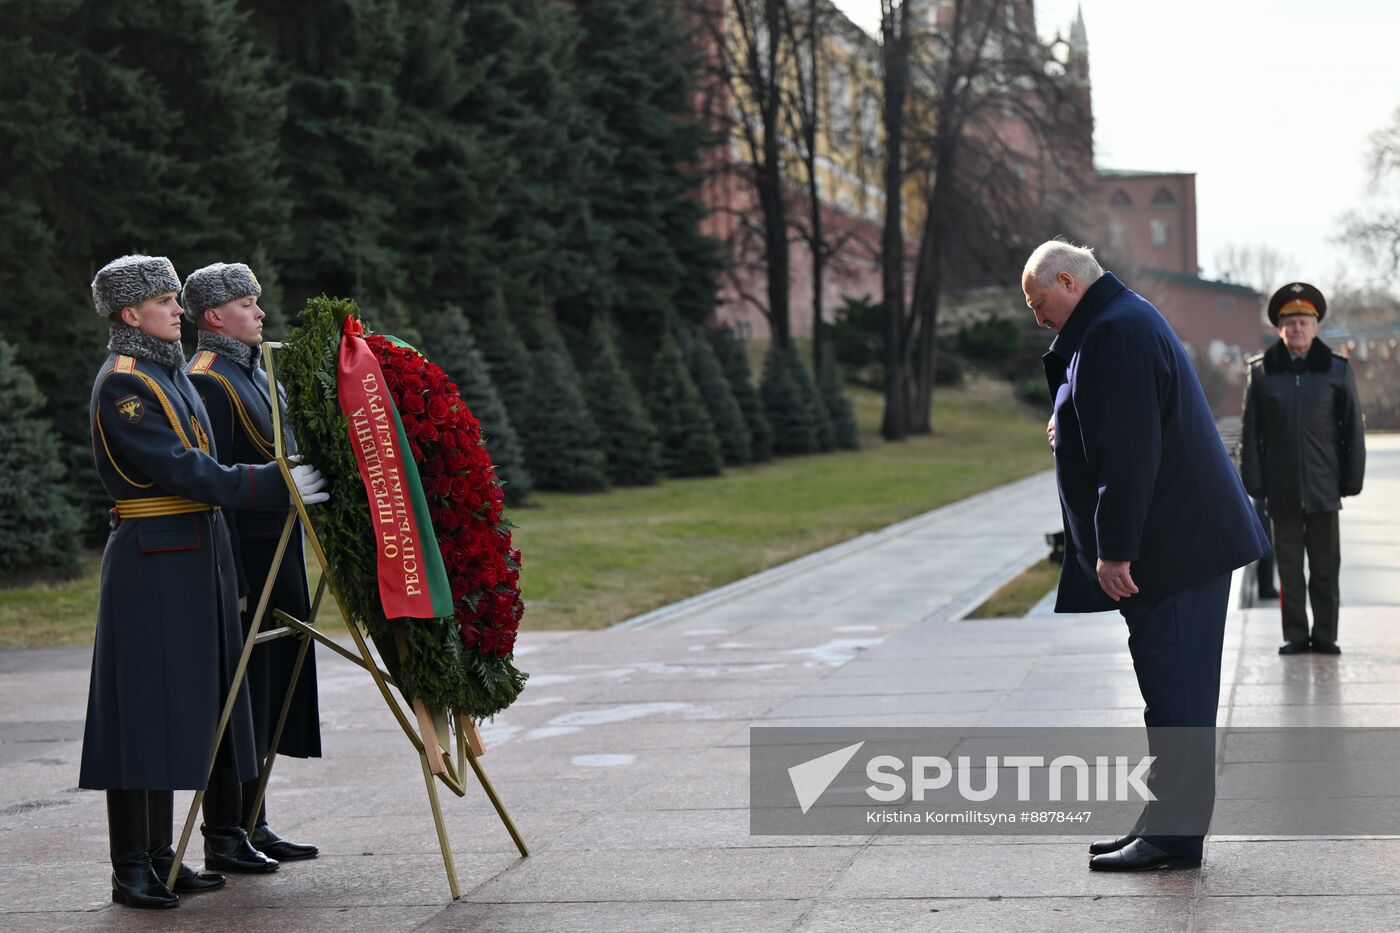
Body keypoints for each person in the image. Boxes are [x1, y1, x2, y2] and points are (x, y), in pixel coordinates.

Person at [80, 255, 328, 909]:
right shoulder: (125, 382)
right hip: (152, 555)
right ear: (131, 313)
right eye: (165, 301)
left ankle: (164, 856)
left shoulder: (167, 370)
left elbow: (205, 464)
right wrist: (273, 483)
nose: (177, 310)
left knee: (183, 706)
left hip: (196, 551)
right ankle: (132, 864)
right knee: (142, 714)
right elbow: (185, 469)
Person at [1024, 240, 1268, 872]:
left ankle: (1175, 835)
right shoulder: (1118, 321)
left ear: (1068, 280)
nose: (1037, 316)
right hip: (1182, 541)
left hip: (1174, 546)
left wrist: (1114, 550)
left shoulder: (1114, 334)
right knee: (1170, 692)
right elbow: (1116, 420)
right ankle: (1166, 820)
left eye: (1038, 300)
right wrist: (1066, 414)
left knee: (1177, 694)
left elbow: (1131, 456)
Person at [182, 262, 323, 868]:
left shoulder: (253, 369)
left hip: (279, 546)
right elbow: (221, 485)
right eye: (247, 304)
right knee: (240, 691)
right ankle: (225, 834)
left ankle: (254, 819)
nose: (260, 313)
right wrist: (232, 580)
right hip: (245, 553)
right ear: (215, 317)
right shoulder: (209, 379)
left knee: (270, 690)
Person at [1239, 283, 1366, 655]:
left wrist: (1351, 479)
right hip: (1282, 489)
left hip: (1325, 487)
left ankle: (1325, 635)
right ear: (1279, 328)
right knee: (1290, 570)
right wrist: (1255, 482)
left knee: (1325, 568)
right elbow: (1252, 433)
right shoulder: (1262, 375)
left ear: (1315, 327)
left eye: (1303, 322)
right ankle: (1296, 635)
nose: (1297, 329)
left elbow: (1352, 432)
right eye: (1290, 323)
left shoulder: (1337, 371)